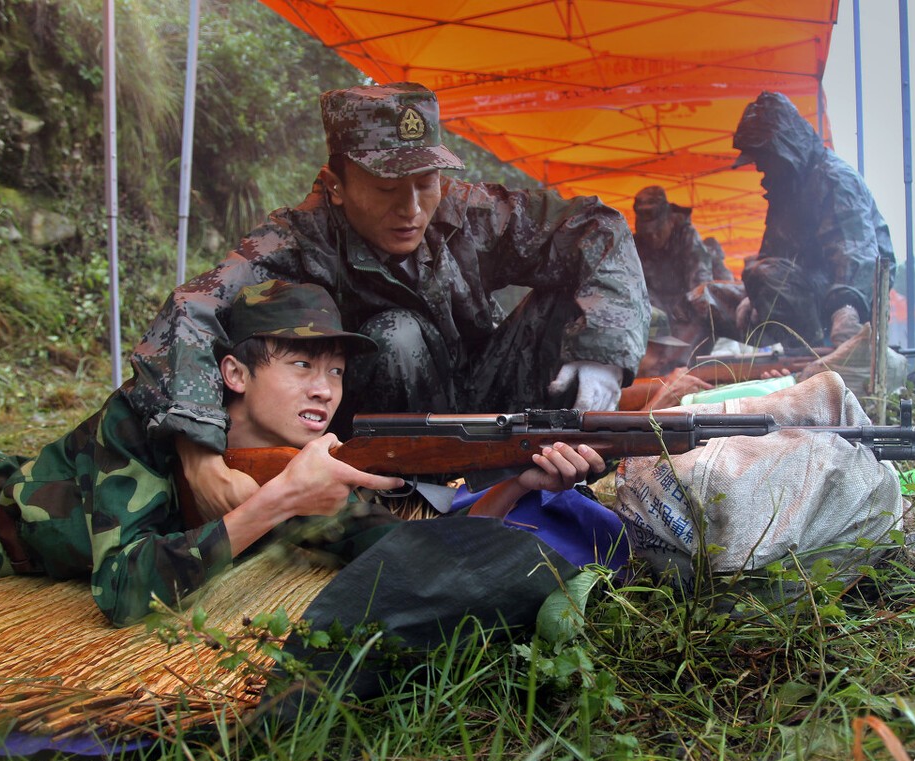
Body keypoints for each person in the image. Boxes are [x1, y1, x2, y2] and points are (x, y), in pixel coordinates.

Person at [127, 82, 649, 523]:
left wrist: (602, 353)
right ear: (336, 186)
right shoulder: (299, 239)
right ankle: (410, 513)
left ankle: (552, 474)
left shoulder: (468, 210)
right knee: (397, 334)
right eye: (386, 188)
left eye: (426, 183)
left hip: (483, 403)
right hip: (379, 438)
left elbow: (597, 226)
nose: (412, 209)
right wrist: (198, 455)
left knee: (573, 305)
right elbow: (193, 309)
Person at [0, 281, 606, 626]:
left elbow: (420, 552)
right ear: (235, 374)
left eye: (336, 371)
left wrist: (518, 485)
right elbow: (124, 594)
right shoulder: (138, 421)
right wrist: (275, 504)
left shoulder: (296, 462)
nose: (325, 390)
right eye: (301, 365)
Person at [731, 91, 895, 351]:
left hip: (847, 299)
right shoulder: (786, 188)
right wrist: (749, 295)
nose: (759, 167)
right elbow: (772, 253)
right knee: (710, 297)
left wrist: (847, 307)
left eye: (762, 158)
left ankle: (812, 354)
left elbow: (856, 253)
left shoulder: (834, 178)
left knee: (766, 274)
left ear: (782, 148)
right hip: (807, 292)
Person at [632, 186, 714, 347]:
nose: (653, 238)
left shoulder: (687, 237)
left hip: (689, 315)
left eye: (658, 231)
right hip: (656, 320)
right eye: (647, 234)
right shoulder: (636, 245)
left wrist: (693, 313)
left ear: (670, 221)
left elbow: (701, 283)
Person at [618, 307, 713, 411]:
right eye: (658, 352)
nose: (664, 360)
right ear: (631, 347)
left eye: (664, 353)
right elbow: (617, 421)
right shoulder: (606, 388)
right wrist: (666, 397)